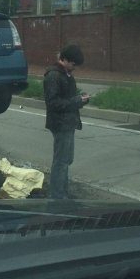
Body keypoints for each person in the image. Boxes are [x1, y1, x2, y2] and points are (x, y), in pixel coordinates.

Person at [43, 44, 89, 199]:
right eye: (73, 64)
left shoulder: (66, 74)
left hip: (68, 122)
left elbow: (68, 96)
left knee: (66, 159)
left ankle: (62, 192)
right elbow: (53, 103)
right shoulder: (53, 76)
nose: (74, 68)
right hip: (60, 123)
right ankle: (57, 195)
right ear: (65, 59)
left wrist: (81, 98)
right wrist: (77, 101)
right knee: (61, 161)